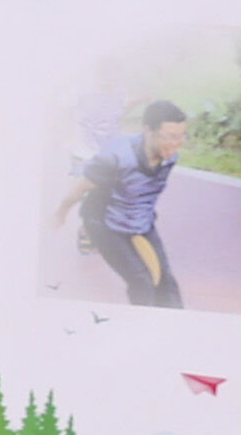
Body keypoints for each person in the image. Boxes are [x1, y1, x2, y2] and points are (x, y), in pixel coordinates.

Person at [51, 101, 189, 308]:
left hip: (140, 221)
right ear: (148, 130)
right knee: (141, 282)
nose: (176, 143)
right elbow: (80, 188)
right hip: (103, 223)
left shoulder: (169, 157)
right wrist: (59, 214)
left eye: (181, 136)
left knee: (166, 284)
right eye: (169, 136)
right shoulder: (117, 155)